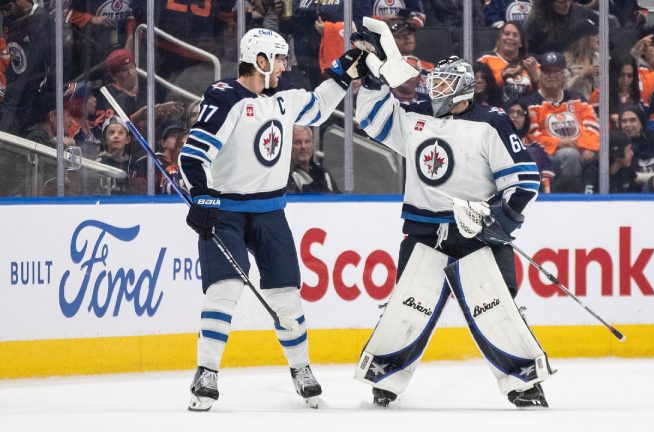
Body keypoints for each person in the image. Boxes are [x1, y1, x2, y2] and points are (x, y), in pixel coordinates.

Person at [353, 23, 551, 408]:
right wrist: (374, 78)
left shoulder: (491, 122)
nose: (435, 90)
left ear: (464, 89)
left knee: (497, 308)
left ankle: (524, 382)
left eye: (445, 85)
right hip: (425, 230)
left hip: (477, 234)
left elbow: (525, 180)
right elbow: (373, 119)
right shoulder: (413, 117)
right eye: (435, 83)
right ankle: (387, 377)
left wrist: (503, 220)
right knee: (408, 304)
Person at [177, 28, 365, 411]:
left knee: (287, 296)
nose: (284, 66)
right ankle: (206, 371)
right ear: (260, 60)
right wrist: (202, 196)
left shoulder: (286, 98)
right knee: (224, 290)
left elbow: (319, 105)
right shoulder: (224, 97)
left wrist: (345, 69)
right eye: (279, 59)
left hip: (270, 212)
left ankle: (302, 369)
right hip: (226, 211)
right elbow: (192, 156)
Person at [520, 51, 599, 192]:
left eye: (556, 72)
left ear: (564, 75)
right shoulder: (530, 103)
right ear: (540, 75)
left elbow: (592, 125)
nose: (551, 76)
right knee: (570, 155)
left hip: (580, 150)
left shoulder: (577, 99)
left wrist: (587, 147)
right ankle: (568, 200)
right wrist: (558, 143)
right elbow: (531, 135)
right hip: (548, 155)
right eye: (546, 71)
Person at [0, 0, 54, 135]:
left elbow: (48, 59)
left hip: (33, 93)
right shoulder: (10, 19)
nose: (7, 13)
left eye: (8, 7)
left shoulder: (43, 19)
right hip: (14, 89)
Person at [477, 21, 539, 102]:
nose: (510, 38)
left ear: (521, 43)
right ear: (499, 39)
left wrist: (536, 80)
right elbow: (478, 88)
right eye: (507, 34)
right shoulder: (485, 59)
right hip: (494, 110)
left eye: (515, 35)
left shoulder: (531, 64)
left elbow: (545, 96)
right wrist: (502, 76)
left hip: (523, 112)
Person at [505, 99, 555, 192]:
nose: (515, 116)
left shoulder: (534, 144)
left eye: (520, 113)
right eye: (511, 112)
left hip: (532, 192)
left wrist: (546, 192)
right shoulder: (493, 139)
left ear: (525, 119)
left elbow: (546, 169)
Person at [287, 125, 340, 193]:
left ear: (313, 144)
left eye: (307, 142)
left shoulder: (323, 172)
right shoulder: (285, 176)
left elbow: (341, 200)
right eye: (298, 142)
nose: (303, 146)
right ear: (289, 146)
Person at [564, 18, 599, 101]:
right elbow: (564, 89)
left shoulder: (600, 58)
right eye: (593, 35)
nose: (598, 37)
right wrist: (582, 75)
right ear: (583, 39)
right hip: (576, 106)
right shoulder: (565, 61)